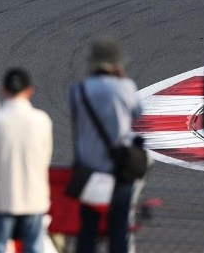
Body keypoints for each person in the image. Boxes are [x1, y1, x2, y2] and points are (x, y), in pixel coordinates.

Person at [70, 38, 143, 253]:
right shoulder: (125, 87)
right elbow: (138, 113)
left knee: (88, 229)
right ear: (116, 64)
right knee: (119, 229)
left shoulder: (78, 90)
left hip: (90, 170)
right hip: (119, 170)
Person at [0, 68, 52, 253]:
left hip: (3, 199)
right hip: (34, 198)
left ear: (3, 90)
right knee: (34, 247)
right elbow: (45, 159)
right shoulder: (42, 120)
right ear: (30, 90)